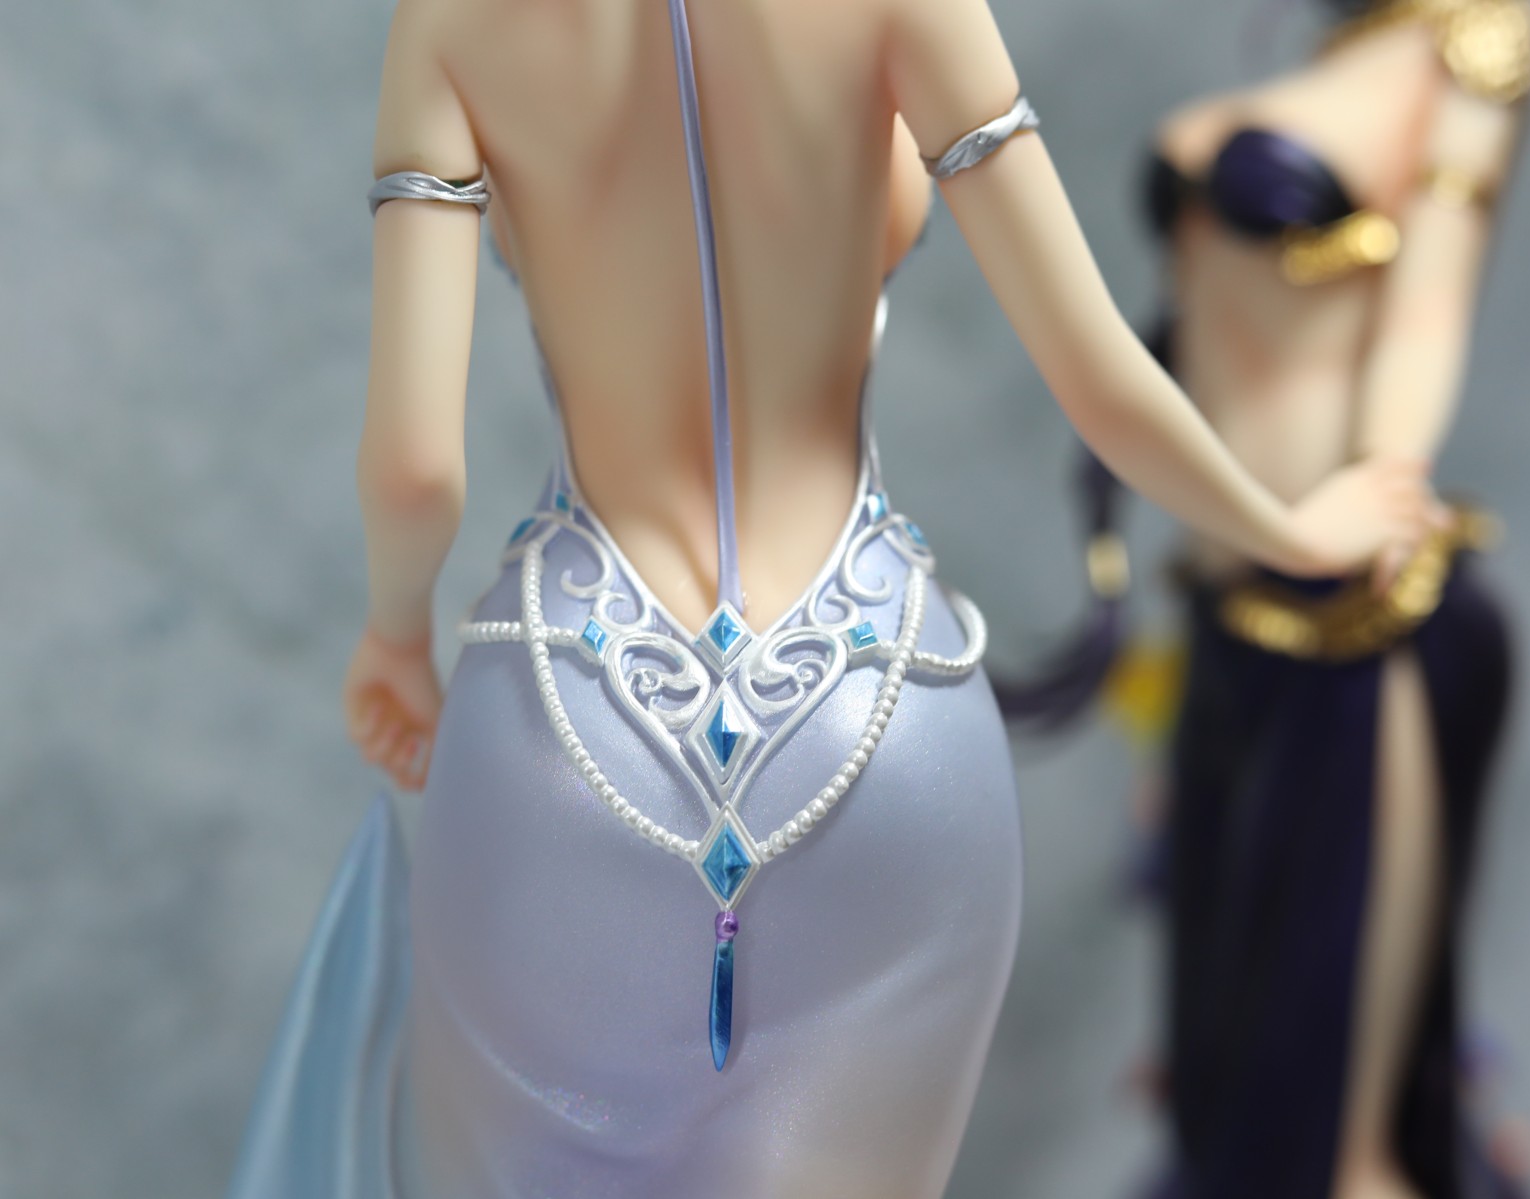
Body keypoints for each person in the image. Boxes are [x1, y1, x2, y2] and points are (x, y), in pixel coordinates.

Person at [226, 0, 1429, 1194]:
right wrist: (1287, 530)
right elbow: (1095, 375)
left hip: (564, 705)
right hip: (874, 707)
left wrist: (395, 636)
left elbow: (413, 470)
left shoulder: (449, 22)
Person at [1136, 1, 1530, 1196]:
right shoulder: (1345, 57)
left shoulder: (1476, 42)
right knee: (1218, 1086)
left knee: (1327, 1127)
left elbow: (1428, 302)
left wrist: (1385, 474)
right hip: (1226, 616)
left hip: (1351, 626)